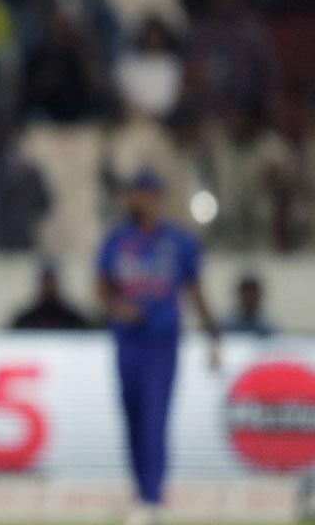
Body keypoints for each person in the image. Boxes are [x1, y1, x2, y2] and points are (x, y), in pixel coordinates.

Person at [95, 168, 221, 525]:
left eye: (135, 193)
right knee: (133, 417)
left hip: (161, 342)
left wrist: (214, 335)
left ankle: (153, 498)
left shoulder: (179, 241)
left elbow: (195, 291)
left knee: (155, 417)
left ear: (152, 197)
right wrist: (120, 308)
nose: (128, 200)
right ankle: (141, 492)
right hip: (127, 340)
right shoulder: (117, 239)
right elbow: (102, 288)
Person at [10, 260, 90, 330]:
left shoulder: (74, 320)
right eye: (46, 281)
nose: (49, 285)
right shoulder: (25, 321)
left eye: (51, 281)